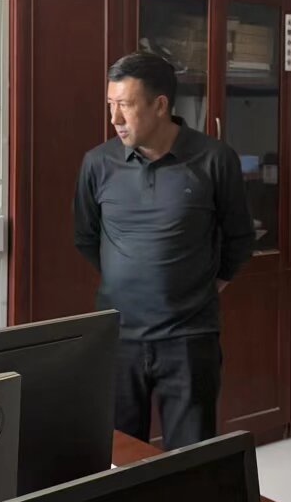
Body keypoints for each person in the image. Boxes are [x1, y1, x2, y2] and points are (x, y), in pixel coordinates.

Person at [73, 52, 253, 450]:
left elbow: (240, 239)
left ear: (160, 105)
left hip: (189, 337)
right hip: (118, 337)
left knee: (192, 456)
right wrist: (128, 280)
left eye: (126, 105)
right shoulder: (97, 163)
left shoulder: (214, 159)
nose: (115, 118)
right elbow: (86, 236)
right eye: (110, 104)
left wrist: (203, 286)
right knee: (118, 454)